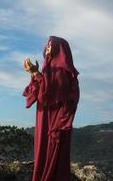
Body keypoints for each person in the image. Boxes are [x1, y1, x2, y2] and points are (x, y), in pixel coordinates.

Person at [23, 36, 80, 181]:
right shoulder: (50, 69)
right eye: (47, 45)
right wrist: (35, 73)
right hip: (46, 119)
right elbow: (41, 91)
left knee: (49, 153)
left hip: (53, 123)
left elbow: (50, 95)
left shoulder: (62, 71)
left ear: (59, 49)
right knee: (43, 152)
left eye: (50, 45)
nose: (47, 48)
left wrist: (36, 74)